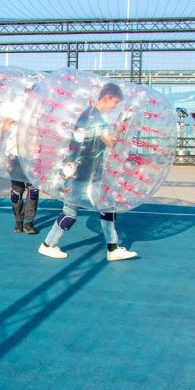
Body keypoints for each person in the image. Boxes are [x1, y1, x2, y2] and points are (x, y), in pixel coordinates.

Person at [38, 83, 137, 261]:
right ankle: (48, 244)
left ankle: (111, 248)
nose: (114, 106)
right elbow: (111, 142)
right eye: (114, 102)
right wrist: (122, 127)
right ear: (106, 97)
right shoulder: (95, 118)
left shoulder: (88, 114)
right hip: (85, 173)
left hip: (81, 170)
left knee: (102, 207)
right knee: (74, 211)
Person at [1, 115, 38, 234]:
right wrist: (10, 119)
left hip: (32, 155)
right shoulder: (12, 107)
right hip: (15, 155)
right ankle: (18, 220)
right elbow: (3, 130)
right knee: (16, 191)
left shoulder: (38, 106)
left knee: (33, 190)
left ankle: (29, 222)